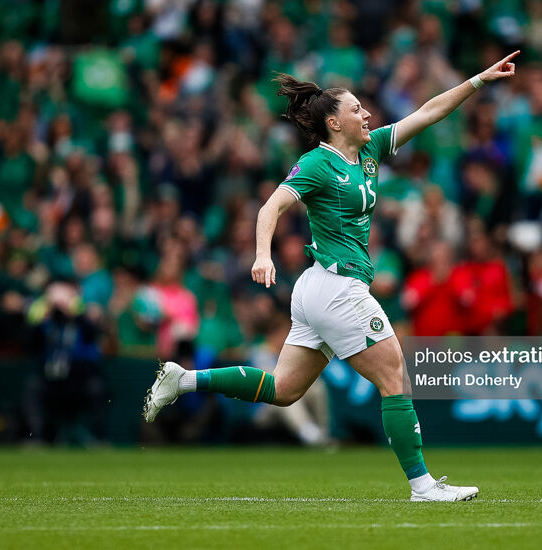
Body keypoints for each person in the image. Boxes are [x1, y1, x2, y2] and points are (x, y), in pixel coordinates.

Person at [143, 50, 519, 501]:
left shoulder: (372, 148)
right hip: (335, 287)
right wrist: (262, 255)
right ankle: (422, 486)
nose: (368, 114)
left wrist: (479, 77)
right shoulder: (318, 163)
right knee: (394, 376)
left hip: (319, 287)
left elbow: (429, 111)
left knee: (283, 390)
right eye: (357, 109)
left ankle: (182, 379)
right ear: (334, 123)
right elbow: (272, 205)